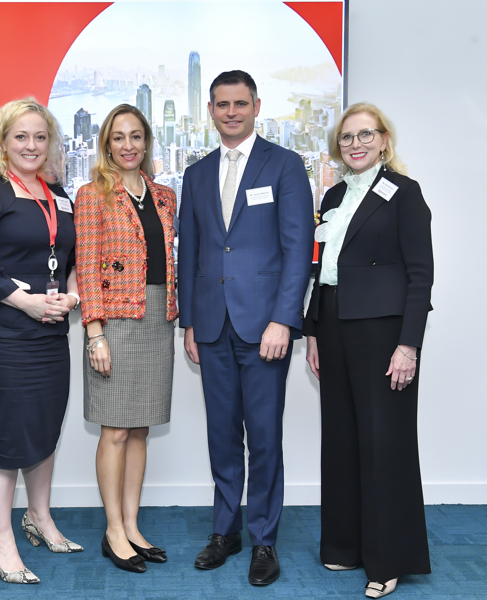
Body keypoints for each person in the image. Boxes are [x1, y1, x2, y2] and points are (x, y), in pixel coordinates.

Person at [177, 71, 314, 586]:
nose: (231, 112)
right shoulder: (197, 173)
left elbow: (299, 249)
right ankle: (224, 531)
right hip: (211, 325)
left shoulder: (285, 165)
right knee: (220, 436)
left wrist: (284, 318)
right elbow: (190, 254)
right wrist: (189, 322)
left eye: (240, 103)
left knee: (263, 437)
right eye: (221, 105)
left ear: (257, 106)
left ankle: (264, 539)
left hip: (265, 328)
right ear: (209, 110)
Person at [303, 102, 433, 599]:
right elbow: (321, 269)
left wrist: (408, 345)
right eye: (347, 137)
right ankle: (344, 546)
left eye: (365, 135)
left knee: (384, 443)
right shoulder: (334, 194)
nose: (355, 144)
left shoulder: (404, 193)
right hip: (334, 323)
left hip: (383, 332)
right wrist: (312, 331)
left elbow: (421, 275)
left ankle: (387, 559)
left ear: (383, 140)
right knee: (340, 438)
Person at [0, 97, 84, 585]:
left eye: (40, 136)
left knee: (45, 426)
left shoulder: (55, 191)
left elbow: (69, 253)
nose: (31, 145)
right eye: (21, 137)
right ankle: (0, 537)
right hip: (3, 333)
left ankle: (40, 517)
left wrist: (70, 294)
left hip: (50, 330)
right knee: (6, 435)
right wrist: (26, 302)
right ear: (2, 141)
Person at [74, 104, 178, 574]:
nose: (129, 145)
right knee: (114, 429)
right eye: (119, 137)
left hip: (158, 317)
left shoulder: (163, 196)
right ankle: (113, 530)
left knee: (140, 428)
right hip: (113, 321)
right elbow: (87, 269)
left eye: (136, 136)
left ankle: (133, 526)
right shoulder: (92, 194)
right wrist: (94, 334)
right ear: (106, 144)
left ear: (147, 140)